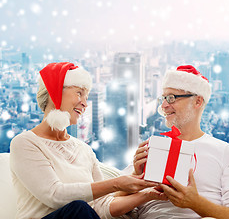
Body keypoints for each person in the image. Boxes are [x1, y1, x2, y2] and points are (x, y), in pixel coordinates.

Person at [10, 62, 167, 219]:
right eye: (79, 93)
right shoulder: (25, 143)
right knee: (79, 208)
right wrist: (117, 183)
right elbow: (55, 196)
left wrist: (149, 194)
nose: (85, 104)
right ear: (55, 92)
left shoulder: (84, 149)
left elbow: (101, 207)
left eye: (86, 97)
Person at [133, 65, 229, 219]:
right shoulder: (153, 148)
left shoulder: (227, 153)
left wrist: (195, 203)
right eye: (163, 99)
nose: (163, 106)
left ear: (198, 102)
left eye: (171, 98)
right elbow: (112, 199)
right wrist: (136, 174)